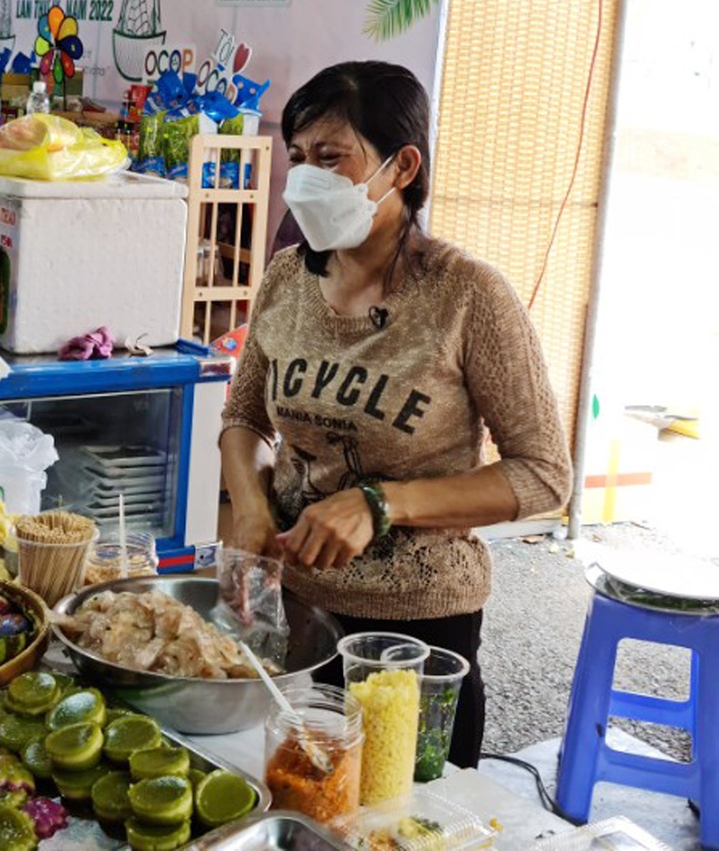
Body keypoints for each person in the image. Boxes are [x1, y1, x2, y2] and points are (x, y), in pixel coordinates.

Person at [219, 61, 572, 769]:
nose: (307, 179)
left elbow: (544, 478)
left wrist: (381, 504)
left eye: (331, 158)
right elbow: (243, 419)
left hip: (414, 631)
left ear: (402, 165)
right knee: (291, 801)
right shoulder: (288, 277)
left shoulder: (468, 296)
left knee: (399, 817)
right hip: (290, 611)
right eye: (299, 159)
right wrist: (250, 506)